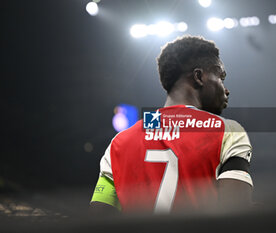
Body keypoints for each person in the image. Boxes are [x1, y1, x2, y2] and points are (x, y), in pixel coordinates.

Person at [90, 35, 253, 214]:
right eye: (221, 77)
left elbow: (99, 216)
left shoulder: (118, 143)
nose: (226, 89)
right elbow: (236, 217)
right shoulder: (229, 131)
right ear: (199, 77)